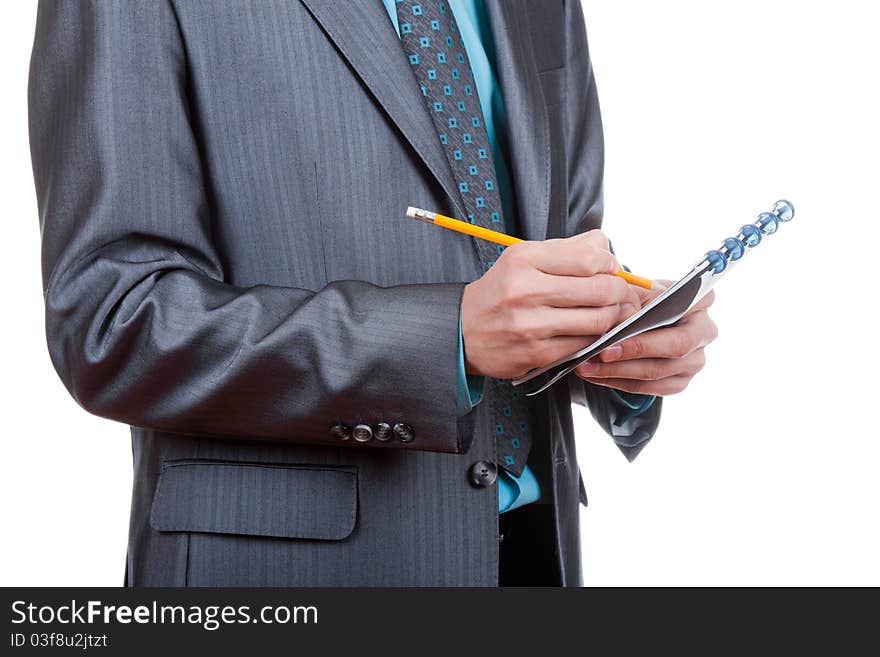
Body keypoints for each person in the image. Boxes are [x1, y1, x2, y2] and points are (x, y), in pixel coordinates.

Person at [28, 0, 717, 586]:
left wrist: (619, 339)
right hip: (280, 574)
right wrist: (443, 337)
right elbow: (110, 318)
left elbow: (551, 248)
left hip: (533, 553)